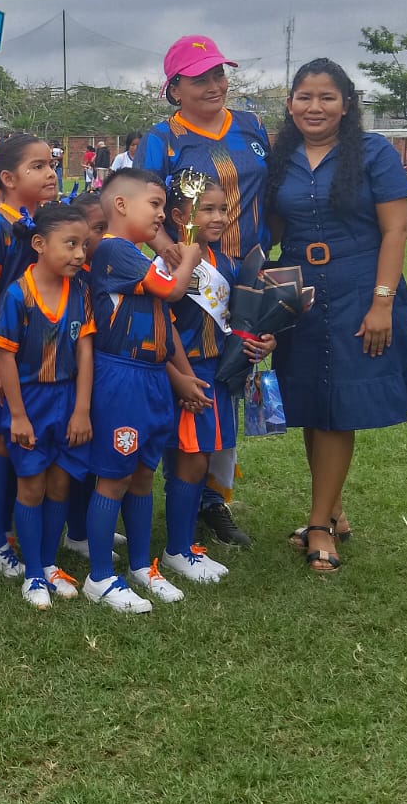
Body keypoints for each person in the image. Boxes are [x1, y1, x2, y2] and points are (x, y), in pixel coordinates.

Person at [265, 59, 407, 574]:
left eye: (327, 97)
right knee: (311, 401)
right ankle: (332, 508)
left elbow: (396, 230)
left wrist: (382, 301)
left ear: (347, 104)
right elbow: (271, 228)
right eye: (304, 97)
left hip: (359, 286)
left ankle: (318, 525)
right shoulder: (280, 155)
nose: (314, 107)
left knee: (338, 405)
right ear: (290, 104)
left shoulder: (374, 152)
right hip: (300, 291)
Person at [137, 34, 271, 547]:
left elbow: (271, 194)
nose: (214, 85)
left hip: (246, 273)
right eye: (199, 78)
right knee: (192, 377)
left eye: (219, 74)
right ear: (174, 88)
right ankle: (177, 487)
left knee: (230, 377)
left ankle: (214, 499)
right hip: (193, 277)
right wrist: (171, 252)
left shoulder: (252, 125)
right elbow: (143, 204)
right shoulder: (162, 138)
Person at [83, 169, 209, 613]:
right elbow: (172, 291)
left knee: (141, 473)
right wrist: (188, 257)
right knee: (115, 476)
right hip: (121, 379)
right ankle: (100, 576)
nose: (161, 214)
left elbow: (162, 320)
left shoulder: (135, 255)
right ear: (121, 205)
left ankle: (140, 565)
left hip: (152, 377)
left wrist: (179, 376)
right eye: (154, 204)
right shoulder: (113, 250)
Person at [162, 180, 275, 585]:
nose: (219, 217)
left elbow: (243, 318)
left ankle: (185, 540)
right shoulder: (167, 263)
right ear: (179, 217)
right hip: (186, 374)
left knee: (204, 458)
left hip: (218, 374)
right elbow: (161, 324)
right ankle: (178, 549)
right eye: (207, 209)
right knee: (190, 460)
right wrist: (180, 376)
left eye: (223, 209)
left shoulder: (227, 263)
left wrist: (264, 340)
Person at [0, 203, 96, 609]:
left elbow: (85, 352)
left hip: (68, 399)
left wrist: (82, 409)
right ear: (39, 244)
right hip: (30, 401)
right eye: (70, 244)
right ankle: (33, 572)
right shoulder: (18, 294)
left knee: (61, 483)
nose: (79, 254)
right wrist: (17, 415)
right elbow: (5, 357)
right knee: (32, 485)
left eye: (83, 245)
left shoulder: (80, 291)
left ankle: (50, 563)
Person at [0, 134, 60, 577]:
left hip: (30, 346)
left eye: (51, 163)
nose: (50, 173)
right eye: (37, 166)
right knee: (0, 438)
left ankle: (4, 521)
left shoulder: (40, 220)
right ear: (7, 178)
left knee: (20, 435)